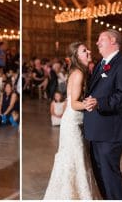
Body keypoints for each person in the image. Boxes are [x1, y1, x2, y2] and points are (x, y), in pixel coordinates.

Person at [83, 29, 122, 199]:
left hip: (111, 130)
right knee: (99, 172)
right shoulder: (101, 64)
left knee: (109, 173)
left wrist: (100, 102)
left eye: (101, 39)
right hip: (97, 129)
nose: (97, 43)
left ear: (113, 40)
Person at [44, 42, 100, 200]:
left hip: (76, 121)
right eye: (84, 50)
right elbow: (74, 103)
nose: (89, 51)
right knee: (74, 157)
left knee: (77, 157)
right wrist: (90, 104)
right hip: (72, 122)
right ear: (76, 56)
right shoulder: (78, 73)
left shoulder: (80, 71)